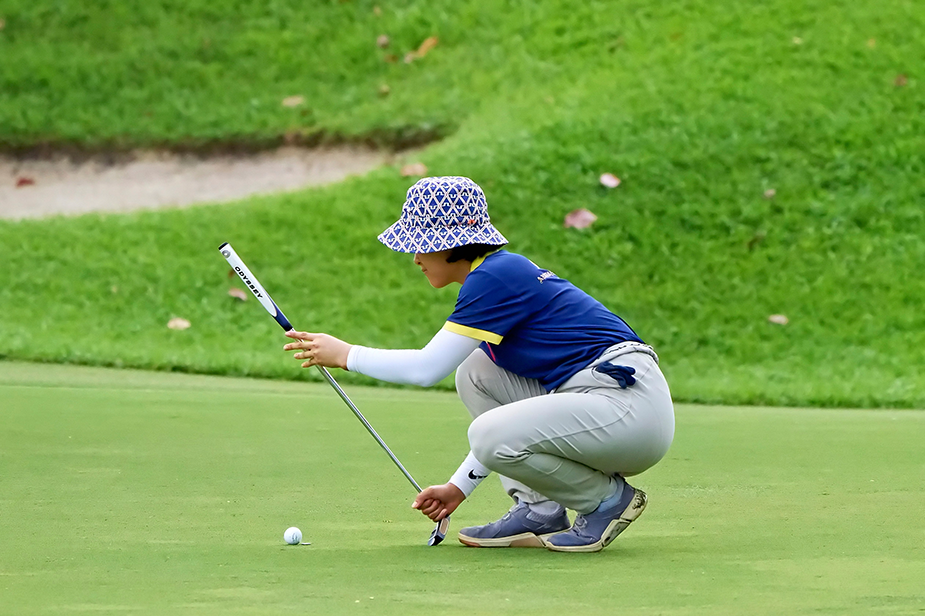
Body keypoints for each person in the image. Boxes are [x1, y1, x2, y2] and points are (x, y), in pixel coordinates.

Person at [283, 176, 674, 552]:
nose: (416, 257)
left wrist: (346, 355)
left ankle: (607, 501)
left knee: (484, 426)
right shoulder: (495, 274)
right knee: (477, 371)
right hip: (604, 403)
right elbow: (502, 424)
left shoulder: (495, 275)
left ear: (454, 244)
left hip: (631, 410)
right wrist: (459, 487)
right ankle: (539, 509)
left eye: (423, 244)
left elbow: (425, 369)